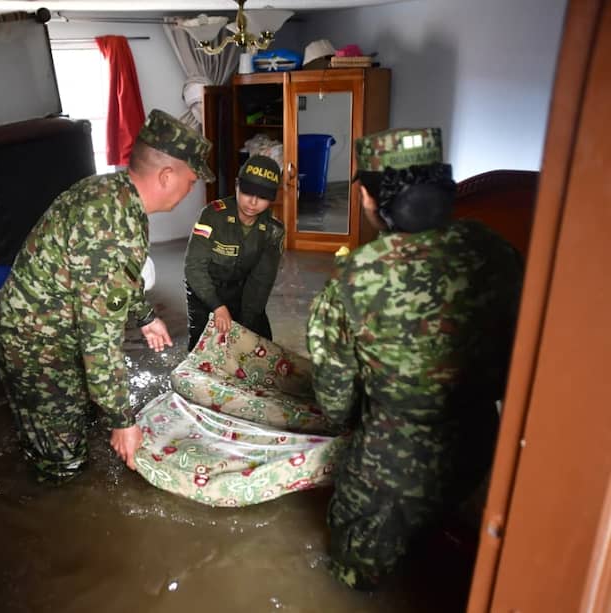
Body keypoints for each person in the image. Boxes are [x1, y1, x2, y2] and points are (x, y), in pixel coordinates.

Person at [306, 128, 524, 590]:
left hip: (389, 464)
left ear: (367, 197)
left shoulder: (354, 279)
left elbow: (334, 398)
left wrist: (354, 419)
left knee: (353, 571)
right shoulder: (495, 250)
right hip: (478, 445)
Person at [0, 109, 214, 484]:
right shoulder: (113, 228)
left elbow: (113, 280)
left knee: (77, 418)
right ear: (166, 175)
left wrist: (144, 316)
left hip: (45, 331)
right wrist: (122, 422)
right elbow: (100, 340)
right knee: (64, 465)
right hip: (35, 351)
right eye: (191, 181)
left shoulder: (115, 195)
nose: (191, 190)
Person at [184, 155, 285, 351]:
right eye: (248, 192)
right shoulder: (213, 215)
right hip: (205, 290)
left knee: (259, 347)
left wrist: (245, 324)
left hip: (242, 289)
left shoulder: (273, 230)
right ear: (237, 186)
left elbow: (261, 281)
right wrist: (217, 307)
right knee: (202, 349)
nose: (253, 202)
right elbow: (194, 267)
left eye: (262, 196)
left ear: (272, 198)